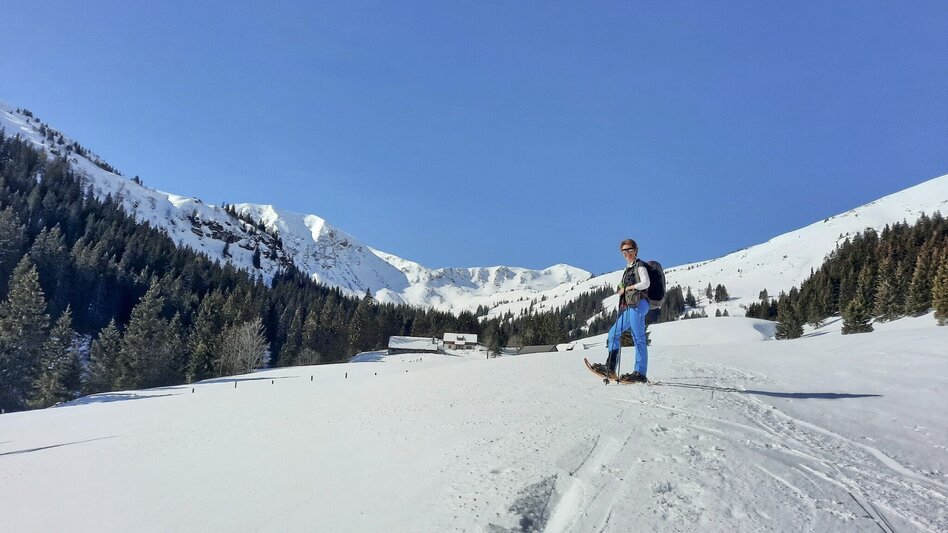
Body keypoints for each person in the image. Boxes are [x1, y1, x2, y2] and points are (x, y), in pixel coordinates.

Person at [592, 239, 650, 382]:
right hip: (630, 307)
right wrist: (621, 289)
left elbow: (646, 283)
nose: (627, 253)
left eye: (630, 250)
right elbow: (621, 287)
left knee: (638, 338)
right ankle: (610, 367)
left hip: (640, 304)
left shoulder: (640, 266)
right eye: (624, 251)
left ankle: (640, 373)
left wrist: (629, 288)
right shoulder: (628, 269)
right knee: (613, 333)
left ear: (635, 250)